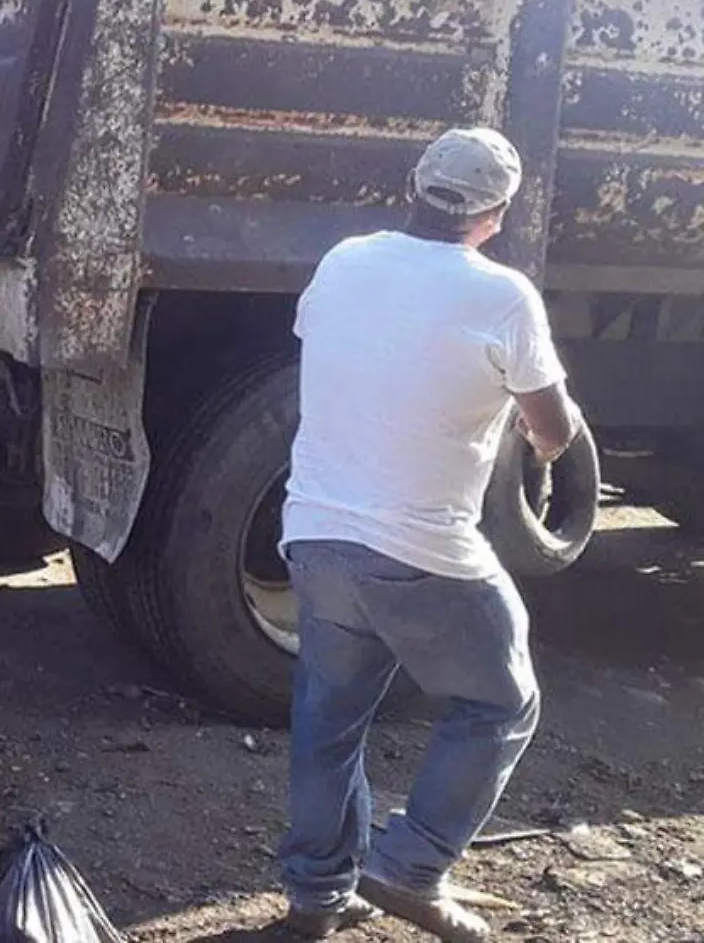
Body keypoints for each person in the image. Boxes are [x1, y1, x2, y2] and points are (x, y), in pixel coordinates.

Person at [279, 128, 583, 942]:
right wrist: (541, 423)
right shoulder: (503, 295)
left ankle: (315, 898)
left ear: (413, 184)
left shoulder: (343, 260)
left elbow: (352, 354)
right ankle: (409, 867)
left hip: (314, 533)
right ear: (499, 212)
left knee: (329, 723)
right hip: (421, 550)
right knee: (500, 703)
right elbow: (551, 432)